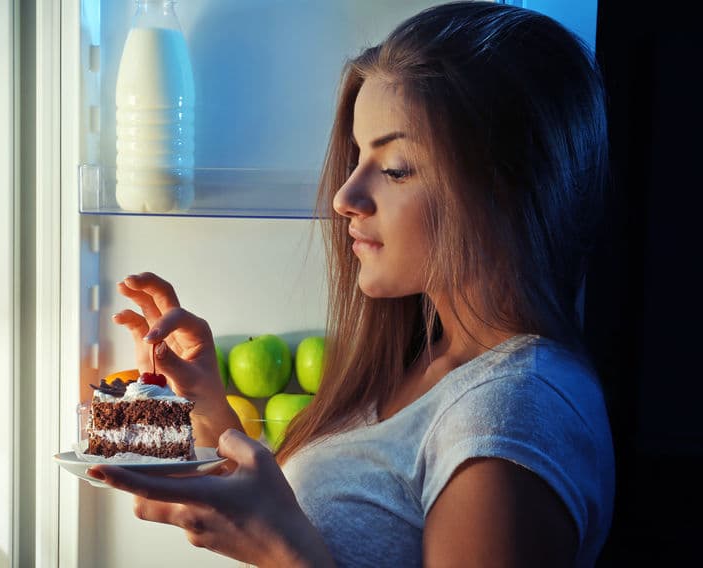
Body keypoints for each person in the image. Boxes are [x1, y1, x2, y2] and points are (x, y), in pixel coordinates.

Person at [87, 2, 615, 566]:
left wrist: (282, 553)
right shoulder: (436, 359)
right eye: (359, 155)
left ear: (506, 189)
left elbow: (305, 546)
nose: (344, 197)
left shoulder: (512, 420)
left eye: (395, 168)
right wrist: (214, 418)